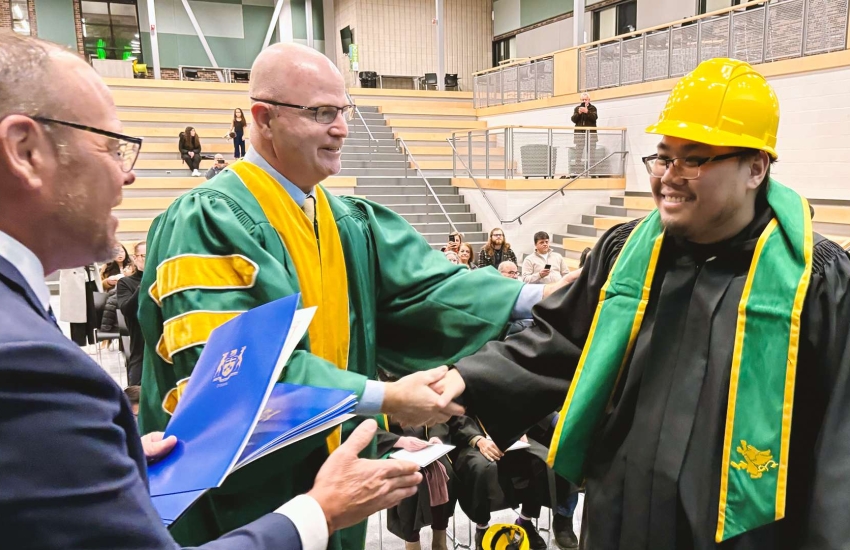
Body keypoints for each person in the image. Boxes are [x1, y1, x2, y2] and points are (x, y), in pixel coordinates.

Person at [138, 42, 570, 549]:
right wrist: (387, 398)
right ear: (263, 117)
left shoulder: (345, 220)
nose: (341, 128)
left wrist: (537, 296)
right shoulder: (208, 220)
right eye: (321, 113)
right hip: (238, 499)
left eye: (343, 111)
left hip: (333, 482)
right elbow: (233, 376)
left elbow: (429, 288)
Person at [0, 32, 423, 550]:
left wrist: (119, 453)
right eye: (112, 147)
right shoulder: (26, 364)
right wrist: (319, 512)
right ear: (24, 151)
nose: (128, 175)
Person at [433, 58, 850, 549]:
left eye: (693, 159)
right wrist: (462, 379)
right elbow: (559, 340)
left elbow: (839, 443)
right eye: (663, 157)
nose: (669, 176)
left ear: (755, 167)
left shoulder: (817, 279)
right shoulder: (627, 252)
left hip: (742, 532)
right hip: (621, 519)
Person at [376, 419, 456, 550]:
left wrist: (435, 436)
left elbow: (435, 413)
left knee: (445, 471)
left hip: (424, 443)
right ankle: (412, 542)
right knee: (411, 480)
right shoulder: (373, 402)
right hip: (390, 444)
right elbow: (363, 426)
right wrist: (400, 441)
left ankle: (439, 539)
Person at [116, 242, 145, 386]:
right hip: (140, 348)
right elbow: (127, 310)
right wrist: (145, 283)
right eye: (144, 256)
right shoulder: (125, 283)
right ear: (135, 258)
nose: (148, 259)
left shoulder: (165, 281)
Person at [570, 92, 597, 174]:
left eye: (586, 99)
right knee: (578, 154)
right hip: (580, 135)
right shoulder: (577, 108)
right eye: (583, 99)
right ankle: (577, 171)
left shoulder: (593, 108)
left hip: (591, 135)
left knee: (591, 154)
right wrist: (579, 113)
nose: (584, 101)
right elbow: (573, 119)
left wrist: (587, 112)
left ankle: (592, 172)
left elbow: (594, 118)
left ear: (589, 100)